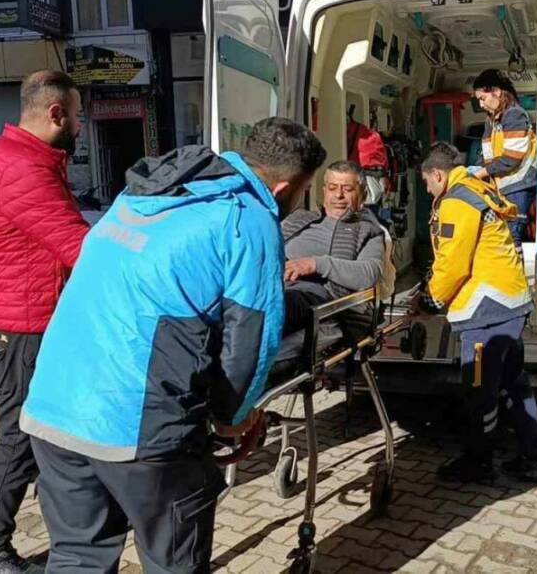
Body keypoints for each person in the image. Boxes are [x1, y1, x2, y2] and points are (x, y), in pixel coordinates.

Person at [19, 118, 326, 573]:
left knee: (77, 558)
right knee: (174, 562)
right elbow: (251, 342)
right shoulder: (249, 219)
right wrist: (231, 420)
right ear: (284, 189)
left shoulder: (148, 190)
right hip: (136, 427)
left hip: (53, 409)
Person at [0, 70, 90, 574]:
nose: (80, 125)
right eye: (78, 115)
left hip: (31, 320)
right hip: (23, 328)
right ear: (56, 114)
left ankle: (69, 528)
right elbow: (80, 248)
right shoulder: (23, 170)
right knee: (18, 440)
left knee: (44, 437)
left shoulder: (28, 159)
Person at [416, 143, 537, 484]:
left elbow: (453, 260)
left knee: (479, 391)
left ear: (437, 174)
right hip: (508, 301)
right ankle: (534, 458)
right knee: (514, 383)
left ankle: (480, 461)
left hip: (485, 308)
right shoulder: (479, 188)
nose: (428, 190)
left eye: (427, 183)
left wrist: (431, 297)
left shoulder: (457, 200)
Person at [282, 160, 388, 336]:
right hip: (271, 284)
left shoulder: (368, 229)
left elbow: (369, 273)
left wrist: (316, 264)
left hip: (314, 296)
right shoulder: (297, 219)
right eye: (332, 188)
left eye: (347, 189)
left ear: (362, 194)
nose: (338, 195)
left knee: (276, 306)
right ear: (324, 191)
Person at [468, 69, 537, 245]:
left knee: (512, 237)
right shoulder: (491, 121)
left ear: (496, 92)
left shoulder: (514, 115)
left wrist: (481, 173)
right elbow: (487, 154)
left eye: (482, 99)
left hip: (518, 186)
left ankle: (514, 272)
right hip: (503, 187)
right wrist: (473, 171)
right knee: (504, 238)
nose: (481, 105)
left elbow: (512, 158)